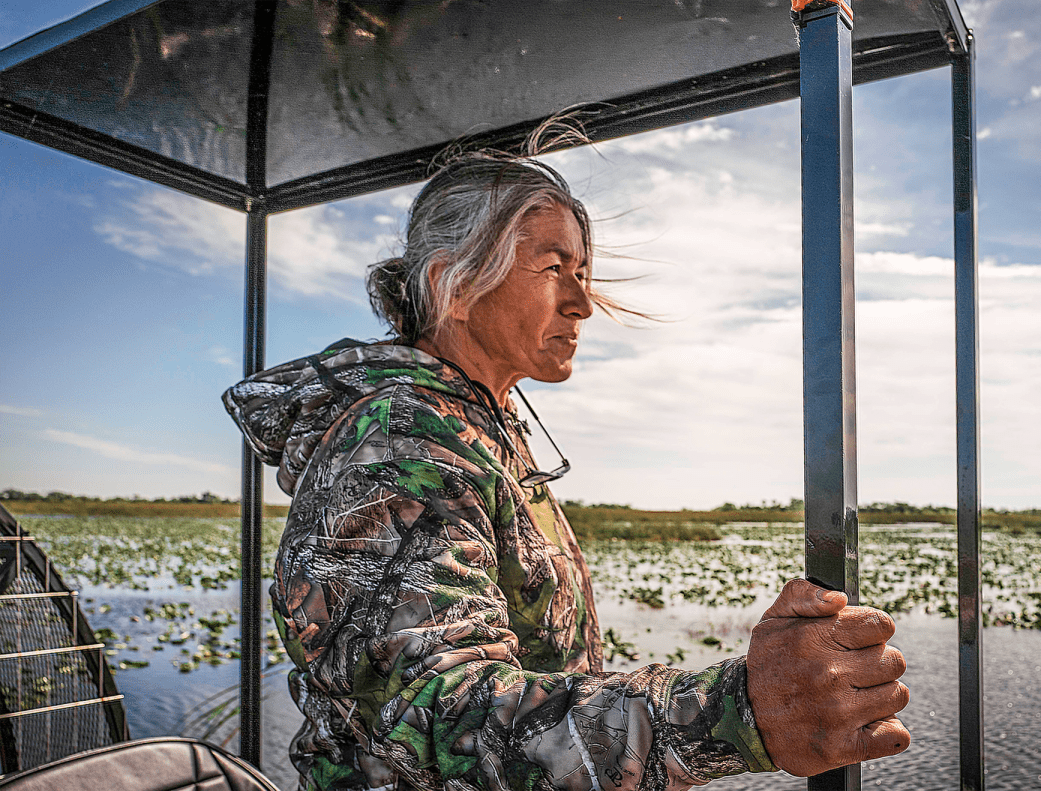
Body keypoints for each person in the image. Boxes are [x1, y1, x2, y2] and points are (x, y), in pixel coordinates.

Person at [223, 143, 909, 791]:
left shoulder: (476, 429)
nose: (582, 301)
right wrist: (738, 708)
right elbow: (435, 721)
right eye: (555, 269)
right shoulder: (398, 445)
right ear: (451, 285)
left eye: (583, 273)